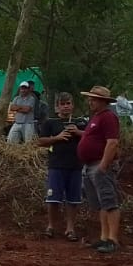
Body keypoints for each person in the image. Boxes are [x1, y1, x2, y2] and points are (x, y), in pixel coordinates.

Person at [78, 85, 122, 254]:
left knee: (109, 201)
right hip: (90, 165)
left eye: (93, 99)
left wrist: (103, 165)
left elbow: (112, 142)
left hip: (99, 164)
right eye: (89, 98)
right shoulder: (96, 117)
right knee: (100, 203)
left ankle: (113, 239)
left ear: (103, 101)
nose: (90, 101)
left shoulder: (108, 117)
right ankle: (104, 237)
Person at [35, 93, 84, 241]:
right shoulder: (50, 123)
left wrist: (78, 132)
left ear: (72, 105)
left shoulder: (80, 121)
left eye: (68, 103)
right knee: (53, 198)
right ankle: (51, 226)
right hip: (56, 165)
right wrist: (58, 137)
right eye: (62, 104)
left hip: (75, 165)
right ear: (57, 107)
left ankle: (70, 229)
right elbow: (40, 141)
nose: (65, 106)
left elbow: (91, 136)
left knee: (73, 199)